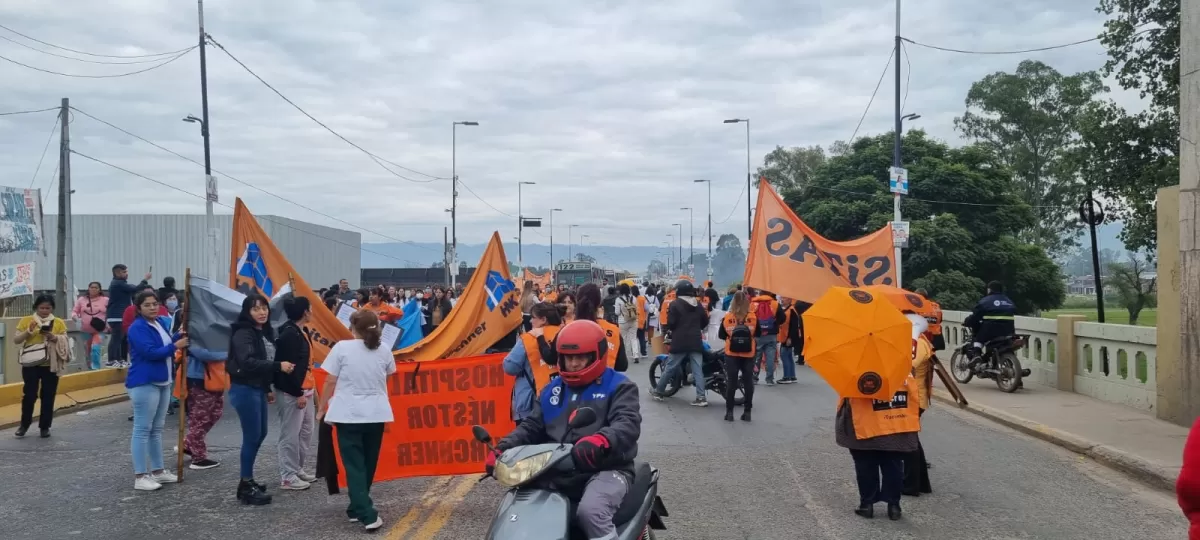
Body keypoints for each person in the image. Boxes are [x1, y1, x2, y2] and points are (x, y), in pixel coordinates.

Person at [488, 320, 641, 540]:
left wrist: (601, 440)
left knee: (592, 512)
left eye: (580, 357)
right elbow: (531, 426)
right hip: (556, 467)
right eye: (569, 358)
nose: (574, 364)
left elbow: (627, 423)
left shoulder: (619, 386)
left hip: (608, 467)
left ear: (596, 355)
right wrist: (503, 449)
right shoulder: (552, 389)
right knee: (517, 510)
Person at [317, 310, 396, 532]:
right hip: (376, 413)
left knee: (354, 465)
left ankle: (366, 513)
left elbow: (330, 381)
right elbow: (389, 375)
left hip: (347, 413)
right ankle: (356, 507)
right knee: (368, 463)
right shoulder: (385, 350)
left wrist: (322, 408)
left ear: (353, 328)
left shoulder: (341, 348)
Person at [228, 293, 296, 506]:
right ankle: (246, 484)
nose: (262, 312)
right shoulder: (243, 333)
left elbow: (262, 360)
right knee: (252, 436)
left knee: (261, 433)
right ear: (247, 312)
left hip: (257, 388)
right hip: (244, 388)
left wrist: (267, 388)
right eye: (256, 308)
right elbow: (248, 362)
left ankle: (247, 480)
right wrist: (279, 366)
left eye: (264, 308)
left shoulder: (262, 332)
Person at [835, 368, 921, 520]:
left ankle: (867, 504)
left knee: (865, 466)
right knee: (893, 465)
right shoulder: (901, 366)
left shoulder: (854, 367)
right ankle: (894, 506)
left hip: (863, 425)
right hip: (894, 423)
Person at [125, 290, 188, 490]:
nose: (152, 308)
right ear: (139, 308)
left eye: (154, 304)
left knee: (156, 430)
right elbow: (150, 352)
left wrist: (179, 335)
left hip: (163, 381)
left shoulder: (159, 323)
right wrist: (175, 345)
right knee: (142, 429)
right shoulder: (137, 328)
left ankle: (158, 471)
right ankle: (140, 476)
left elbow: (167, 342)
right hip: (144, 382)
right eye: (147, 305)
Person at [274, 296, 317, 491]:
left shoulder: (303, 331)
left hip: (306, 389)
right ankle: (288, 476)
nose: (312, 312)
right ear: (304, 312)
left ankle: (297, 468)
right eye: (310, 308)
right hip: (293, 391)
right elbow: (288, 368)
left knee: (306, 431)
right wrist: (297, 391)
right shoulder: (289, 334)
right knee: (290, 434)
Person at [14, 294, 69, 438]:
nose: (44, 311)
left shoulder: (58, 322)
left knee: (48, 395)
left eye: (48, 308)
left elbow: (65, 340)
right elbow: (16, 340)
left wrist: (53, 337)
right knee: (29, 395)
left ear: (52, 308)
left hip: (50, 363)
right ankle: (24, 425)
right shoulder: (26, 320)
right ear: (36, 307)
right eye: (41, 308)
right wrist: (29, 331)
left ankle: (45, 427)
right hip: (31, 363)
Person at [652, 279, 709, 406]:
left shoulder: (675, 304)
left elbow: (671, 323)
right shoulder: (698, 304)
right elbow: (705, 321)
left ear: (678, 291)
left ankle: (659, 391)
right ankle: (701, 397)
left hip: (680, 341)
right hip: (695, 340)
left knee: (670, 367)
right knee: (697, 370)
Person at [503, 302, 562, 423]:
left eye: (533, 317)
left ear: (543, 320)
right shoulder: (564, 332)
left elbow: (509, 367)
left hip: (531, 403)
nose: (530, 321)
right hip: (562, 400)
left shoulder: (529, 338)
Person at [903, 313, 935, 497]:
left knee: (909, 441)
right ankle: (920, 482)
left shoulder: (919, 343)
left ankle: (911, 484)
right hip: (911, 397)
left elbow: (908, 364)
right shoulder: (915, 341)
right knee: (912, 440)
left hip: (915, 399)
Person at [567, 284, 628, 372]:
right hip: (606, 383)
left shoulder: (567, 329)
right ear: (599, 303)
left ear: (577, 301)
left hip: (575, 383)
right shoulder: (613, 330)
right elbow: (622, 366)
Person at [718, 291, 758, 422]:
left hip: (732, 354)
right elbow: (758, 333)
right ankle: (747, 412)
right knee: (748, 382)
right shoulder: (753, 317)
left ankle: (729, 413)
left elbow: (721, 335)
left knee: (732, 383)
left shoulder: (728, 317)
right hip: (749, 353)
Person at [106, 264, 151, 368]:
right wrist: (145, 279)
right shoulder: (117, 283)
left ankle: (120, 359)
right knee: (116, 338)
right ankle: (112, 359)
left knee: (122, 338)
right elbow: (136, 288)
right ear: (117, 273)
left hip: (121, 315)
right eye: (124, 272)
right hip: (116, 315)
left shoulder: (120, 283)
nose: (127, 274)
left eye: (126, 272)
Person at [963, 281, 1016, 366]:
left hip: (991, 330)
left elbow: (975, 316)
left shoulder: (985, 301)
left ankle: (977, 355)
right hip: (1008, 330)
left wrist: (967, 321)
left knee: (978, 338)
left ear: (989, 290)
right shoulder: (1008, 301)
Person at [750, 290, 786, 385]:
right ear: (770, 294)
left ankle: (754, 377)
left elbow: (749, 317)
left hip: (757, 334)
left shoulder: (753, 304)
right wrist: (775, 323)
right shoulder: (775, 304)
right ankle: (769, 379)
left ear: (760, 294)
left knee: (756, 356)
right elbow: (783, 318)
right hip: (771, 334)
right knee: (770, 356)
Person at [71, 281, 108, 371]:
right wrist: (75, 317)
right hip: (85, 330)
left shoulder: (106, 300)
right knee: (88, 350)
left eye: (96, 287)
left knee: (95, 348)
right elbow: (74, 311)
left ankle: (96, 368)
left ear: (100, 290)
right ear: (88, 288)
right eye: (91, 287)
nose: (93, 289)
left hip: (99, 330)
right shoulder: (81, 300)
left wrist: (109, 325)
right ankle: (90, 368)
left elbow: (110, 313)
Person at [776, 296, 809, 383]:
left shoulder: (791, 310)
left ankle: (787, 377)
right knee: (789, 356)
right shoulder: (788, 310)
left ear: (790, 300)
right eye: (782, 298)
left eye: (784, 298)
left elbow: (794, 326)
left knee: (784, 355)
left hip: (788, 337)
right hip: (785, 336)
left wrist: (790, 338)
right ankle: (792, 376)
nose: (782, 300)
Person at [614, 283, 641, 364]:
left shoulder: (618, 300)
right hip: (633, 320)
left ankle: (625, 356)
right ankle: (636, 355)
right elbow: (636, 309)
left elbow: (617, 312)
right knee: (634, 338)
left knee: (624, 338)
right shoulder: (634, 298)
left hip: (623, 321)